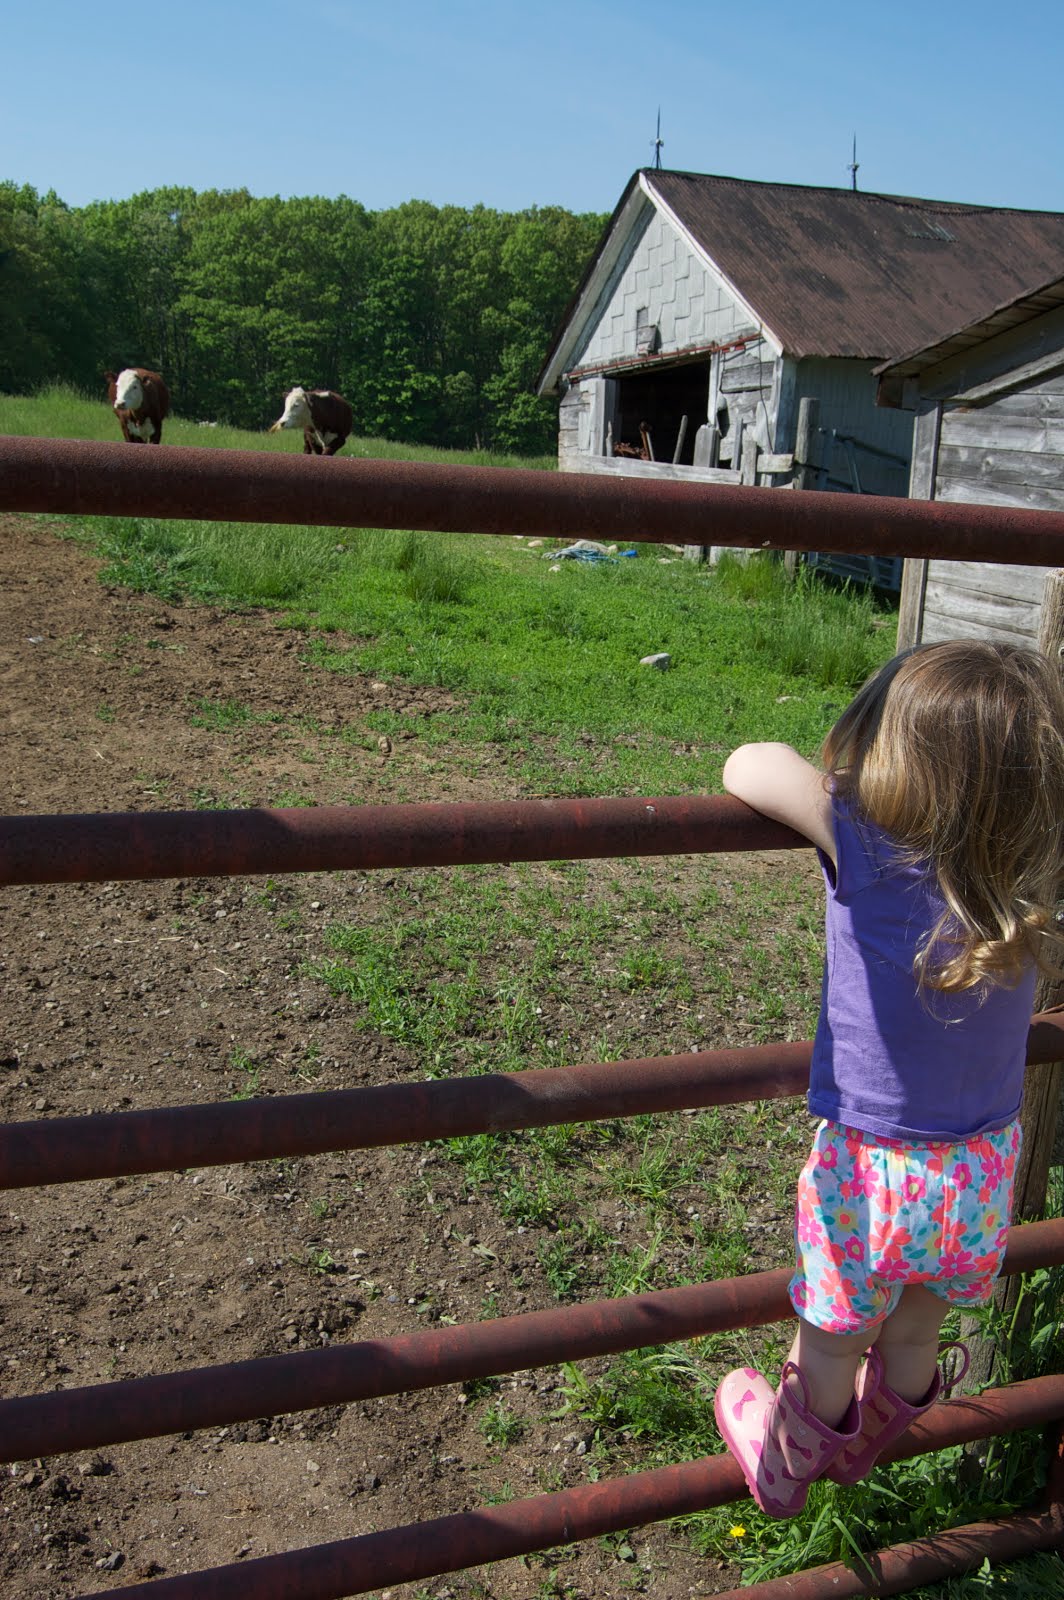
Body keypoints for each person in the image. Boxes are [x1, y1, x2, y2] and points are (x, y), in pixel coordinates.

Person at [713, 639, 1064, 1518]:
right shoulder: (1029, 884)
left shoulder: (865, 845)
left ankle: (785, 1467)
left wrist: (842, 790)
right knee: (915, 1328)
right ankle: (872, 1440)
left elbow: (748, 764)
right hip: (981, 1169)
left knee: (833, 1343)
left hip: (874, 1169)